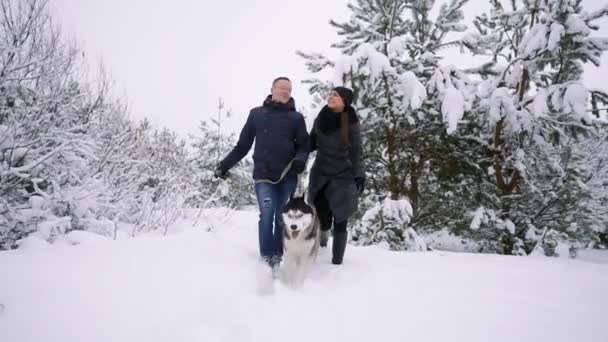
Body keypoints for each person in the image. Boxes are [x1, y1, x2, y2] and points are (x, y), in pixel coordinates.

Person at [214, 77, 309, 270]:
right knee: (266, 212)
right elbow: (243, 146)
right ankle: (267, 256)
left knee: (281, 216)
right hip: (263, 175)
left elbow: (304, 146)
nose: (285, 91)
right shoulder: (256, 114)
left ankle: (278, 255)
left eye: (288, 89)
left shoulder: (296, 118)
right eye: (281, 88)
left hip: (287, 176)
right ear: (272, 89)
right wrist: (225, 165)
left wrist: (300, 160)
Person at [308, 86, 364, 265]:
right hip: (321, 173)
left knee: (341, 217)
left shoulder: (351, 120)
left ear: (344, 100)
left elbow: (356, 150)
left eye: (336, 95)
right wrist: (296, 153)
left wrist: (359, 175)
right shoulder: (321, 117)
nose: (331, 97)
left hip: (343, 175)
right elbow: (311, 142)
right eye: (330, 94)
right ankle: (322, 243)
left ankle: (337, 263)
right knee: (322, 216)